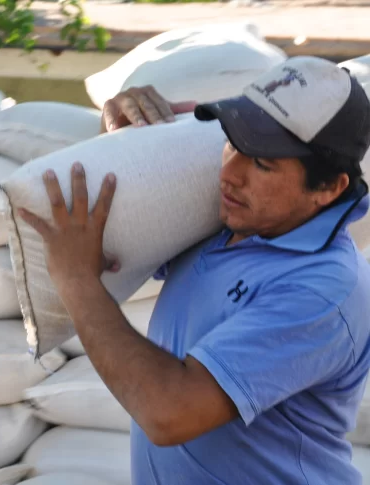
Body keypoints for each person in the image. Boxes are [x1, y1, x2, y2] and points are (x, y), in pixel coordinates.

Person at [18, 56, 370, 484]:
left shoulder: (324, 290)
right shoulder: (227, 222)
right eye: (232, 144)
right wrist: (123, 136)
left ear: (329, 188)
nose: (229, 174)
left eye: (262, 164)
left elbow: (169, 412)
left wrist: (76, 282)